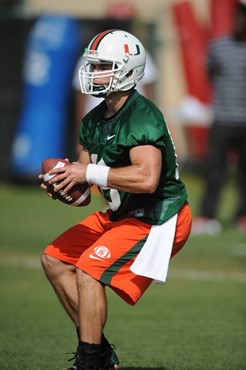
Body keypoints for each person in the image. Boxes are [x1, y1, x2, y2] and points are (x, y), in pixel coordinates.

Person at [39, 29, 192, 370]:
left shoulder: (141, 115)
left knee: (90, 270)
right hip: (122, 212)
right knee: (55, 259)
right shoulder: (94, 120)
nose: (93, 73)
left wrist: (87, 174)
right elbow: (85, 181)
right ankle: (100, 353)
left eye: (102, 66)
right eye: (92, 66)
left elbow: (146, 177)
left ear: (127, 69)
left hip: (158, 214)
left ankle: (90, 362)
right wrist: (64, 186)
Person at [192, 2, 246, 235]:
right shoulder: (219, 46)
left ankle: (242, 217)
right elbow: (210, 74)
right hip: (222, 119)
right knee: (215, 170)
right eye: (235, 20)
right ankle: (208, 215)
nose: (237, 24)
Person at [72, 48, 158, 155]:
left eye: (103, 68)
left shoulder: (140, 124)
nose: (95, 74)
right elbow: (85, 167)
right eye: (93, 67)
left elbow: (145, 171)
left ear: (128, 73)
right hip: (100, 124)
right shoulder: (92, 119)